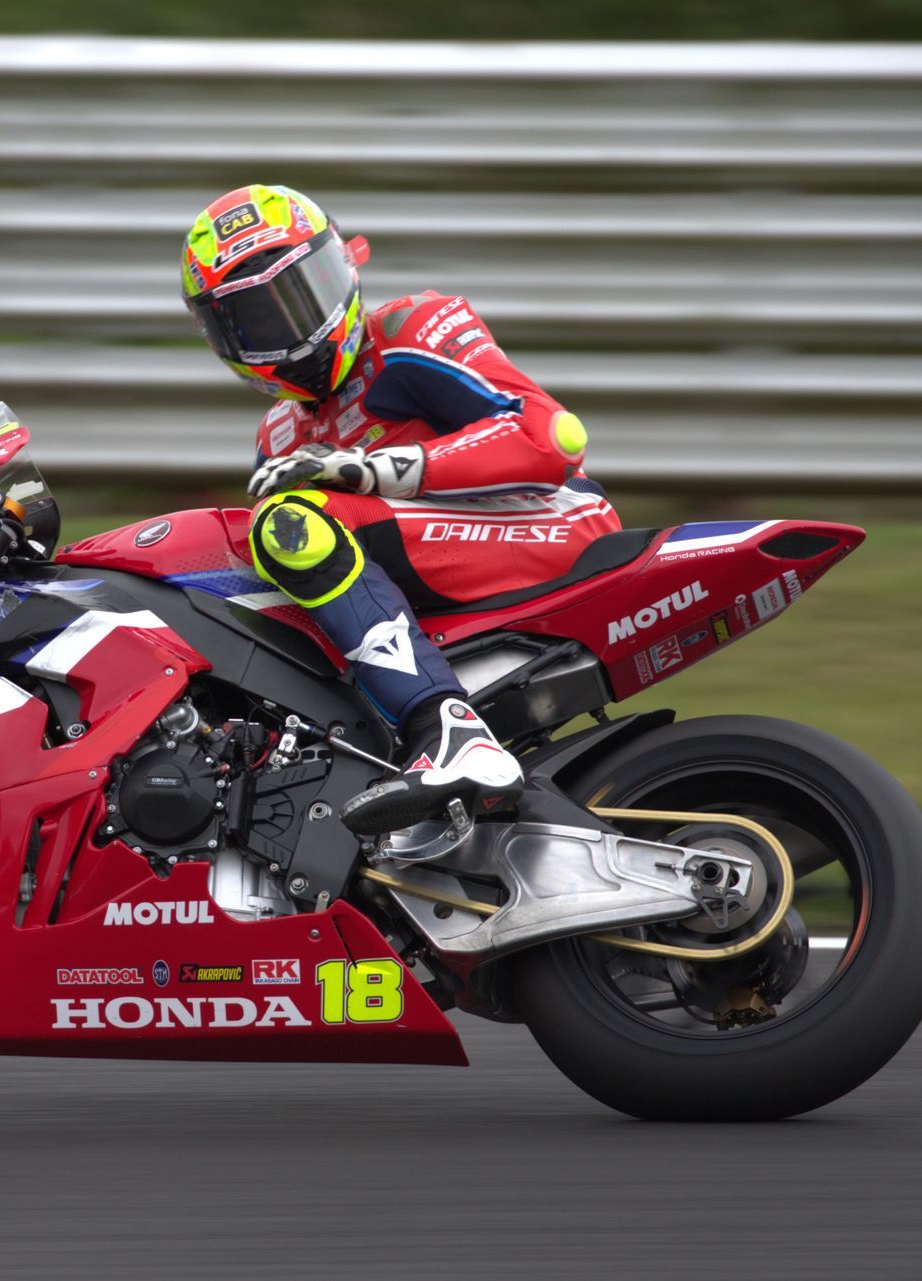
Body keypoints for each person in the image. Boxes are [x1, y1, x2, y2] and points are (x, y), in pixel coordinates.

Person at [180, 184, 623, 835]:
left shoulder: (411, 328)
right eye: (261, 318)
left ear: (342, 267)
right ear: (226, 336)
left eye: (302, 292)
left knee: (291, 524)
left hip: (548, 524)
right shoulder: (277, 436)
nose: (294, 327)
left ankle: (451, 730)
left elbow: (551, 438)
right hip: (436, 586)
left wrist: (360, 469)